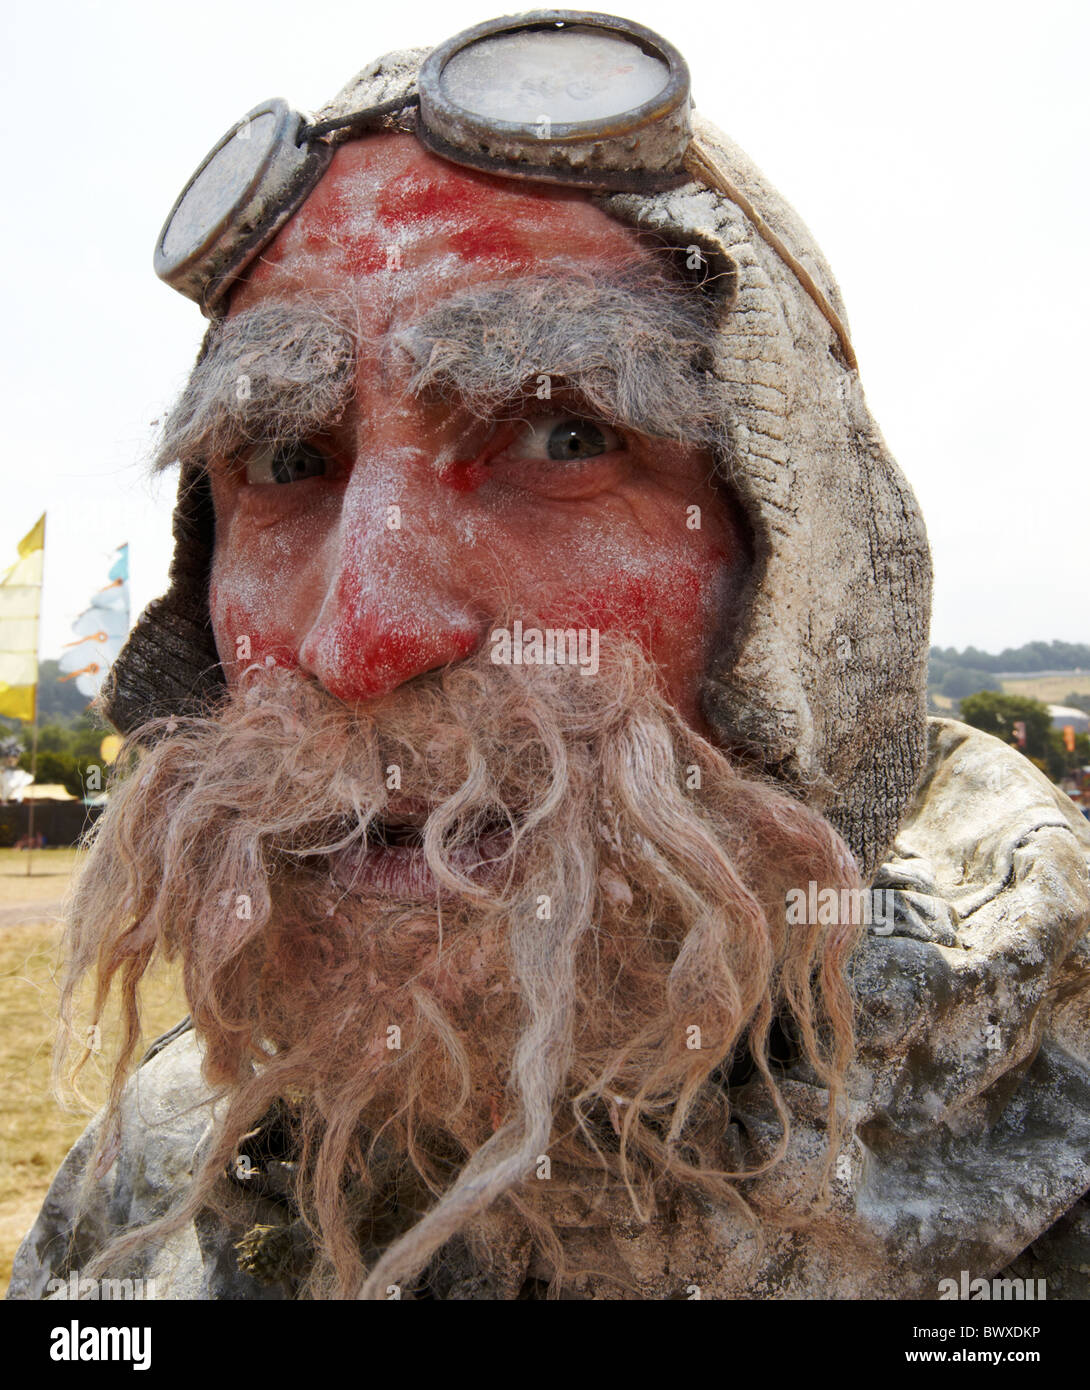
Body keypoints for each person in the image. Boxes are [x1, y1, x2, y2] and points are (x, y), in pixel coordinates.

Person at [8, 14, 1090, 1301]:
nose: (360, 637)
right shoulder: (161, 1178)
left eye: (567, 438)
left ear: (807, 580)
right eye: (288, 464)